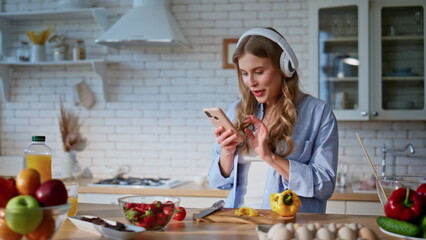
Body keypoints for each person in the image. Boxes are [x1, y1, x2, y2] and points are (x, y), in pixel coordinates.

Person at [207, 27, 338, 213]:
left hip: (289, 226)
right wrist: (227, 153)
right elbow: (217, 182)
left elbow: (324, 186)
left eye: (259, 72)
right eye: (244, 73)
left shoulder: (318, 112)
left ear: (284, 67)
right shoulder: (237, 110)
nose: (250, 82)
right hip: (238, 220)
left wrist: (270, 157)